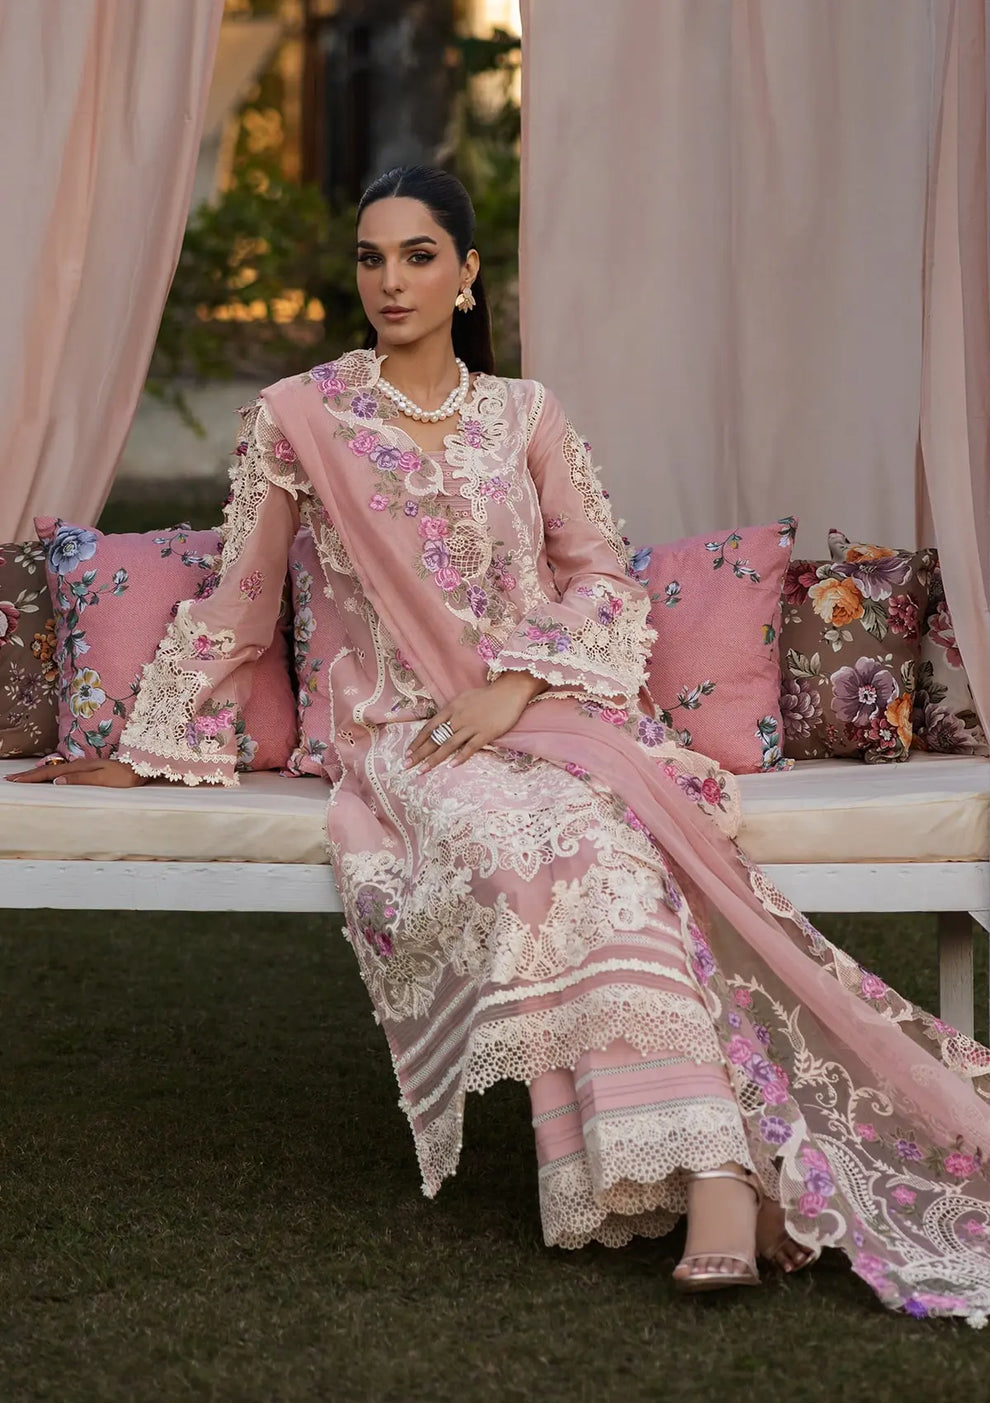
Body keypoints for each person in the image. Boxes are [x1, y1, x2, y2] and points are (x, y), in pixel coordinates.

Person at [11, 165, 990, 1319]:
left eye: (419, 255)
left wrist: (516, 686)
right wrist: (144, 746)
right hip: (405, 736)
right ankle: (717, 1169)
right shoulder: (299, 417)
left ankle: (717, 1171)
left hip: (550, 714)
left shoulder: (526, 415)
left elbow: (603, 579)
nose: (391, 280)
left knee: (598, 838)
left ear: (468, 274)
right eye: (373, 257)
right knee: (546, 846)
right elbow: (242, 598)